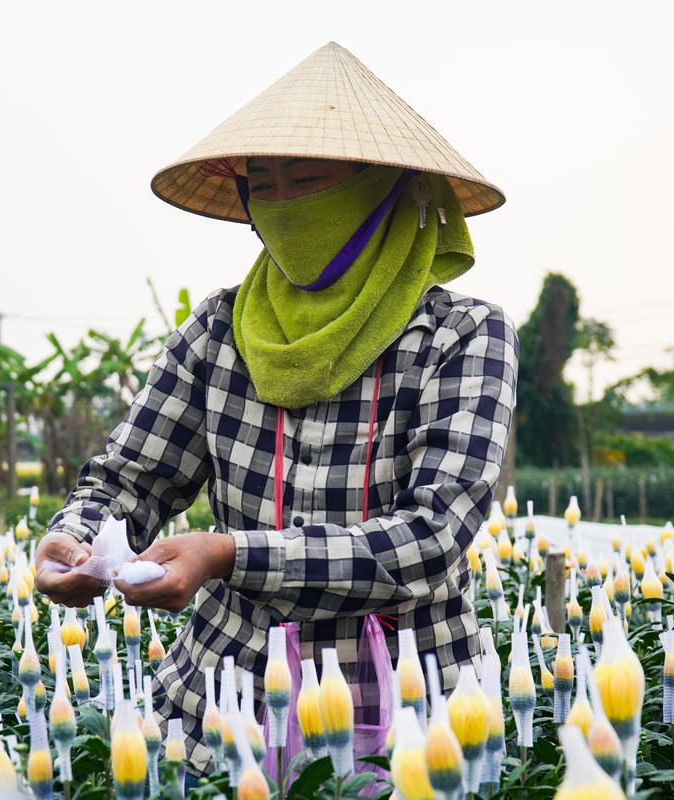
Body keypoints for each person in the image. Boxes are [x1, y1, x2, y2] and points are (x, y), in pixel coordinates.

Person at [35, 41, 517, 775]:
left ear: (384, 188)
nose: (284, 206)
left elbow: (431, 538)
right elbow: (131, 480)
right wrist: (79, 542)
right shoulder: (220, 329)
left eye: (309, 182)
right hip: (226, 704)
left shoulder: (460, 337)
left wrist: (228, 553)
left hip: (412, 717)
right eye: (265, 186)